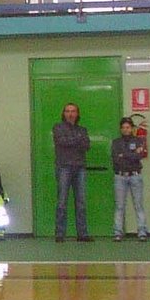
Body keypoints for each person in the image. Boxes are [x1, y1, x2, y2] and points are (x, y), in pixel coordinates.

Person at [53, 102, 92, 242]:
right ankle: (59, 234)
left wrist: (72, 141)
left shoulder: (83, 129)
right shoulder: (58, 128)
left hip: (80, 168)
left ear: (77, 114)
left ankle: (82, 234)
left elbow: (87, 145)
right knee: (62, 202)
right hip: (63, 167)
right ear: (64, 114)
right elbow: (62, 142)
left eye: (73, 111)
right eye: (68, 111)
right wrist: (77, 140)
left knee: (81, 202)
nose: (70, 114)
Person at [112, 117, 149, 241]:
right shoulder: (116, 142)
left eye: (127, 127)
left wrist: (124, 154)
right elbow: (116, 159)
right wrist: (131, 154)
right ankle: (117, 232)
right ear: (120, 129)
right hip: (120, 176)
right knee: (119, 206)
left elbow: (139, 156)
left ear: (132, 128)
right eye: (123, 127)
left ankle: (142, 232)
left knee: (138, 205)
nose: (125, 130)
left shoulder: (139, 141)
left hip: (135, 176)